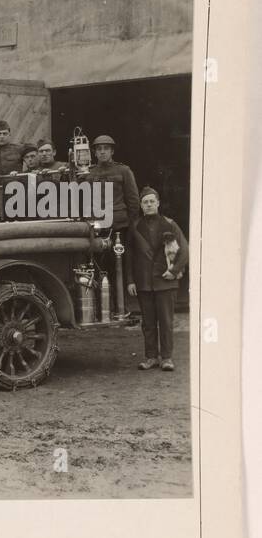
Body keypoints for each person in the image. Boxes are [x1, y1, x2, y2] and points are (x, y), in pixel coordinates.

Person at [123, 187, 188, 372]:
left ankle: (167, 358)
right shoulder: (135, 227)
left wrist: (174, 271)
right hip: (144, 283)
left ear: (158, 203)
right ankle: (150, 357)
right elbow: (129, 255)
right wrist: (130, 280)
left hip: (166, 282)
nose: (149, 204)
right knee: (148, 323)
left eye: (152, 201)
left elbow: (185, 250)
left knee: (166, 322)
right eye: (145, 202)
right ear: (141, 206)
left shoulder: (170, 224)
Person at [88, 134, 142, 315]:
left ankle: (123, 307)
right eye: (98, 149)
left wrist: (132, 225)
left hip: (119, 226)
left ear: (112, 151)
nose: (102, 152)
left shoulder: (123, 171)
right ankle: (104, 309)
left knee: (122, 265)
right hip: (98, 227)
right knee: (100, 267)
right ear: (94, 152)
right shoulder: (89, 173)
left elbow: (133, 201)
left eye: (106, 149)